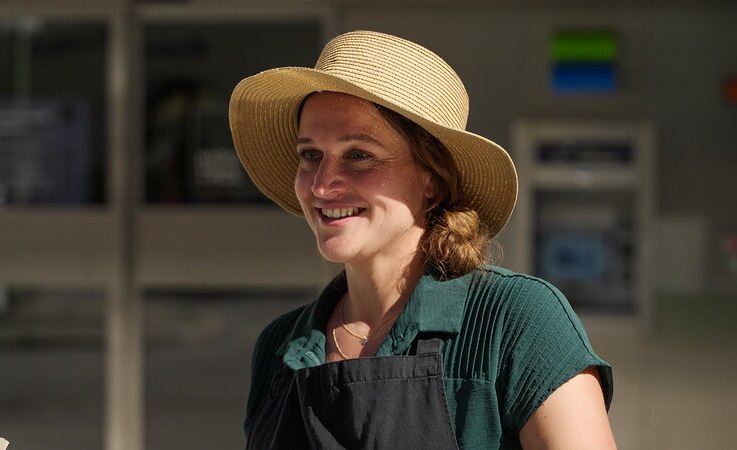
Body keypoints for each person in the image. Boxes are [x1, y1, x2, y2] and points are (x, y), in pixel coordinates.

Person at [229, 30, 615, 449]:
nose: (322, 185)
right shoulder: (279, 346)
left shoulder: (516, 322)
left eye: (358, 155)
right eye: (310, 155)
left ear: (432, 180)